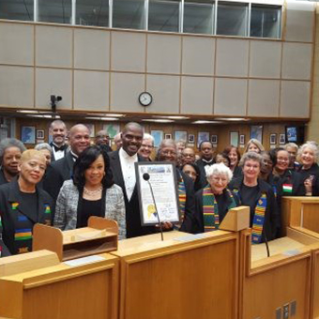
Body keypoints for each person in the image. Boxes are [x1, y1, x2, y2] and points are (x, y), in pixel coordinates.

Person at [54, 146, 126, 239]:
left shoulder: (116, 191)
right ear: (83, 169)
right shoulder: (67, 188)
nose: (95, 172)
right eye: (90, 167)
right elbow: (58, 225)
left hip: (105, 249)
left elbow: (121, 229)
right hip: (71, 248)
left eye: (99, 167)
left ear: (105, 168)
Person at [0, 150, 54, 257]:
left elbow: (50, 233)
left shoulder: (47, 198)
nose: (37, 170)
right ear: (19, 166)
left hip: (40, 260)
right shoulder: (2, 194)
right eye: (32, 164)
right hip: (9, 263)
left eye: (42, 167)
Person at [108, 122, 153, 238]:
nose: (134, 141)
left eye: (138, 138)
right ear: (122, 136)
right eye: (129, 136)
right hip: (111, 227)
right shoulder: (106, 160)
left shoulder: (147, 165)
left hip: (140, 231)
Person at [229, 152, 279, 243]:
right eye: (248, 165)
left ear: (260, 169)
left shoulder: (267, 190)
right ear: (242, 167)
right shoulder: (231, 186)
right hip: (234, 237)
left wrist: (271, 237)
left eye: (255, 166)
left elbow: (274, 216)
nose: (251, 169)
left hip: (261, 240)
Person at [156, 139, 196, 233]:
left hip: (179, 233)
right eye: (165, 151)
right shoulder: (146, 175)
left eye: (172, 152)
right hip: (150, 233)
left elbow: (190, 212)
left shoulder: (187, 181)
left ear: (177, 156)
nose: (168, 155)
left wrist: (180, 232)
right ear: (158, 153)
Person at [43, 124, 91, 201]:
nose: (83, 141)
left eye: (86, 137)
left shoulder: (96, 165)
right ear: (68, 140)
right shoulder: (55, 168)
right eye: (78, 137)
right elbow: (53, 200)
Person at [193, 163, 238, 233]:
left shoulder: (234, 197)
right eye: (216, 178)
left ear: (228, 181)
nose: (220, 183)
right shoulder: (198, 197)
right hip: (205, 239)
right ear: (209, 179)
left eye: (223, 179)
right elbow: (195, 225)